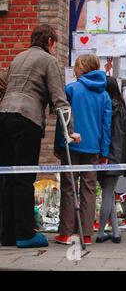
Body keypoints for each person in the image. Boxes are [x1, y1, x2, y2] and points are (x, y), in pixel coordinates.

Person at [0, 24, 79, 248]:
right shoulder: (48, 60)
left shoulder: (18, 58)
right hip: (27, 119)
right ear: (51, 42)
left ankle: (6, 234)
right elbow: (59, 98)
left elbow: (3, 83)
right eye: (55, 44)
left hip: (4, 116)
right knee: (24, 177)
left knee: (6, 177)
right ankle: (25, 234)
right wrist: (69, 130)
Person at [54, 54, 112, 246]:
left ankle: (66, 233)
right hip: (93, 147)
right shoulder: (104, 95)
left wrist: (58, 144)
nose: (74, 69)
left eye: (76, 66)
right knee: (89, 189)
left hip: (71, 145)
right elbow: (106, 126)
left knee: (69, 187)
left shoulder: (71, 89)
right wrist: (104, 152)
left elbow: (62, 120)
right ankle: (86, 233)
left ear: (82, 68)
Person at [96, 76, 126, 244]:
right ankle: (116, 232)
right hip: (118, 156)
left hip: (105, 156)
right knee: (109, 195)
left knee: (107, 195)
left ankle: (101, 232)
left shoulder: (105, 107)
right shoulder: (122, 108)